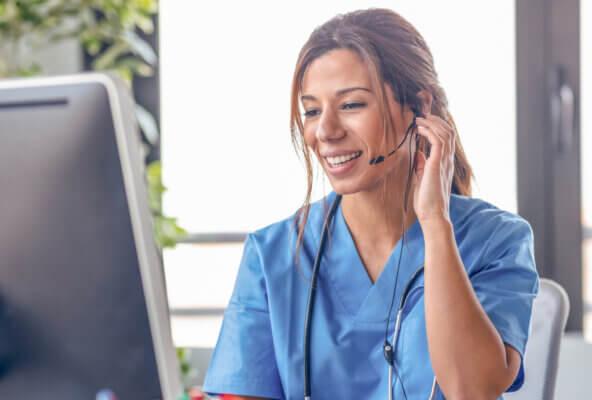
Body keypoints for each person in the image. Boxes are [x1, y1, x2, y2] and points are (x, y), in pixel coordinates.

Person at [202, 8, 539, 400]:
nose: (325, 131)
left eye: (352, 105)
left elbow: (473, 390)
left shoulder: (495, 241)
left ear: (419, 107)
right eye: (312, 111)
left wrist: (434, 223)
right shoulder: (272, 254)